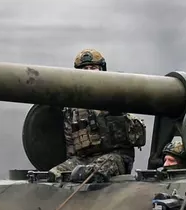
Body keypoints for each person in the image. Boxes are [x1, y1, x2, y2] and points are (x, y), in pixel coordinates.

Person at [50, 48, 143, 182]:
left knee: (93, 173)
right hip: (83, 160)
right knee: (56, 174)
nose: (88, 72)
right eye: (84, 68)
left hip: (114, 157)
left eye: (93, 67)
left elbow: (133, 136)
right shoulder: (72, 107)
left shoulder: (114, 95)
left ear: (101, 70)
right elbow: (70, 143)